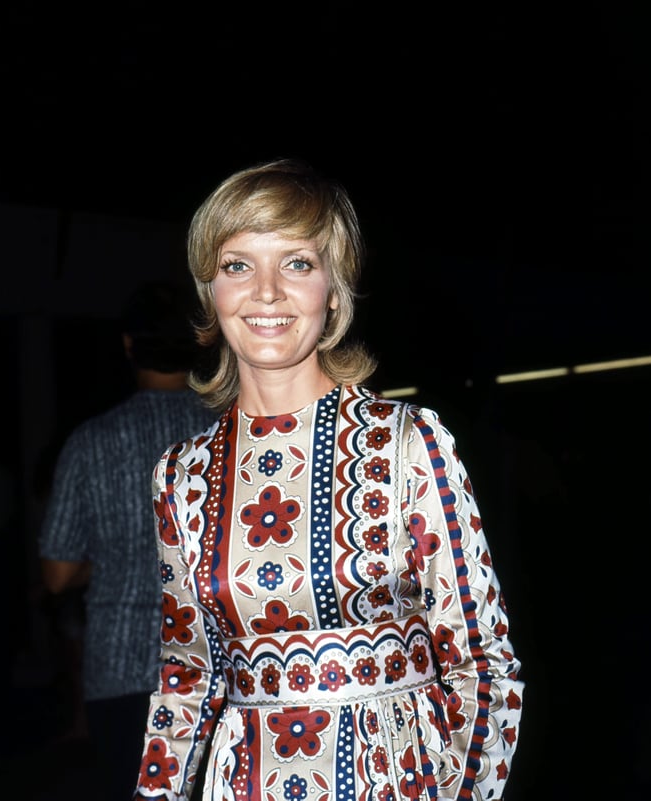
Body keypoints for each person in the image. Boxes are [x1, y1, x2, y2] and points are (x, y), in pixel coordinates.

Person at [134, 159, 524, 801]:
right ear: (211, 292)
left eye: (297, 263)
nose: (266, 292)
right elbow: (187, 677)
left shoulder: (405, 443)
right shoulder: (181, 475)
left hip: (394, 781)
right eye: (237, 265)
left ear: (334, 290)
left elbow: (483, 663)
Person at [39, 281, 215, 801]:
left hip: (117, 669)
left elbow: (56, 575)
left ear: (128, 345)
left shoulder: (90, 441)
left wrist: (117, 557)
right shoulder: (226, 434)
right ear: (200, 343)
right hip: (213, 663)